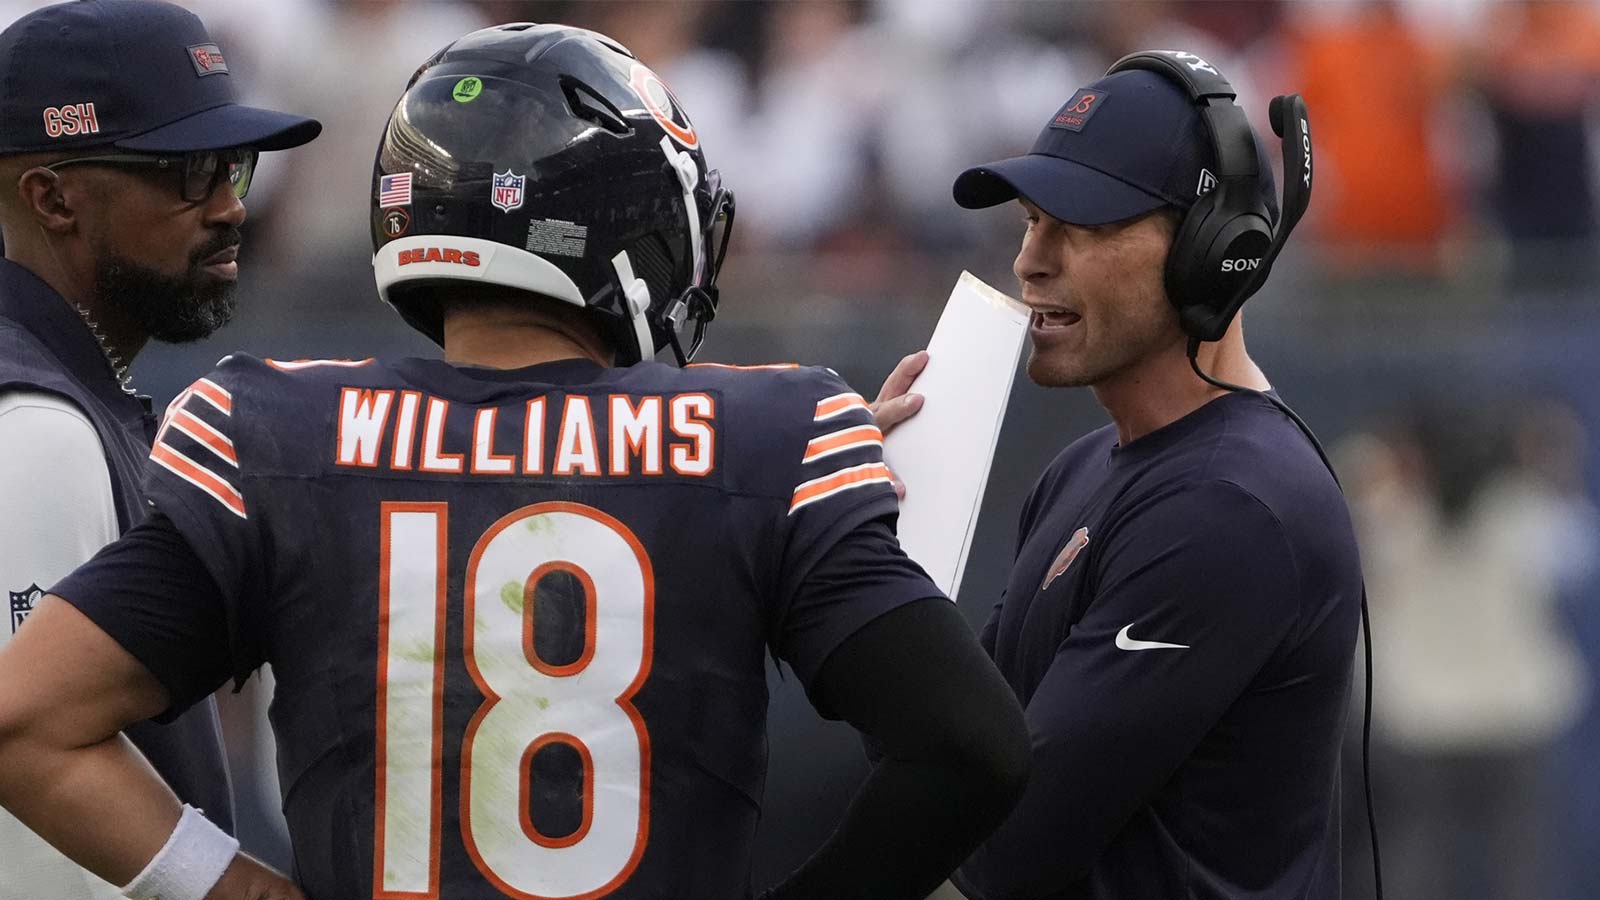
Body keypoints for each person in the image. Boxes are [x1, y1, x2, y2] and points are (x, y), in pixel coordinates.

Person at [0, 23, 1030, 900]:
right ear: (634, 222)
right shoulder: (773, 436)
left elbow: (27, 723)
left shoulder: (266, 427)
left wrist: (239, 891)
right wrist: (795, 474)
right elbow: (972, 747)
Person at [877, 51, 1363, 899]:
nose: (1031, 260)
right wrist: (858, 539)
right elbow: (939, 753)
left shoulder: (1229, 507)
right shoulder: (1083, 471)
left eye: (1084, 225)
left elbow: (997, 847)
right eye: (1031, 221)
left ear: (1218, 251)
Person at [0, 1, 320, 897]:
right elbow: (35, 844)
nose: (227, 207)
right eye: (185, 173)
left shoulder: (68, 390)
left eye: (233, 166)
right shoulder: (36, 424)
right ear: (53, 196)